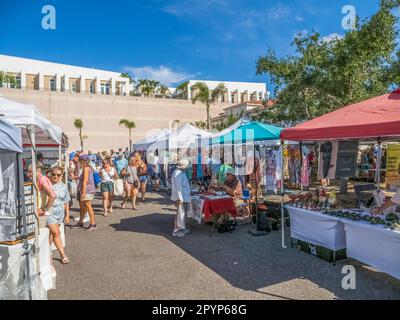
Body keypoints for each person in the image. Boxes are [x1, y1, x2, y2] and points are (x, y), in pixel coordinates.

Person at [48, 166, 70, 264]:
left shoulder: (64, 186)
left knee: (52, 234)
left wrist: (67, 215)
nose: (55, 176)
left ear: (61, 176)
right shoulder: (46, 184)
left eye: (58, 175)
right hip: (50, 213)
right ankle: (63, 255)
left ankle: (46, 252)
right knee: (56, 233)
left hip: (60, 213)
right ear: (50, 174)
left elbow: (66, 202)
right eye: (53, 174)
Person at [75, 155, 97, 230]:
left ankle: (93, 224)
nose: (79, 163)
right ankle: (81, 222)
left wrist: (83, 192)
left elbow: (85, 181)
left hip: (87, 190)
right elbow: (82, 178)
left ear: (82, 161)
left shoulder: (86, 168)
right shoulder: (88, 168)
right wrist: (75, 177)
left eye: (79, 161)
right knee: (84, 207)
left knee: (88, 206)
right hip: (87, 189)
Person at [171, 158, 191, 237]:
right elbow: (178, 187)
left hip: (183, 196)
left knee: (182, 213)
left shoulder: (181, 172)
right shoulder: (177, 173)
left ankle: (182, 228)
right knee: (179, 213)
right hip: (180, 197)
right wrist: (180, 198)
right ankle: (176, 230)